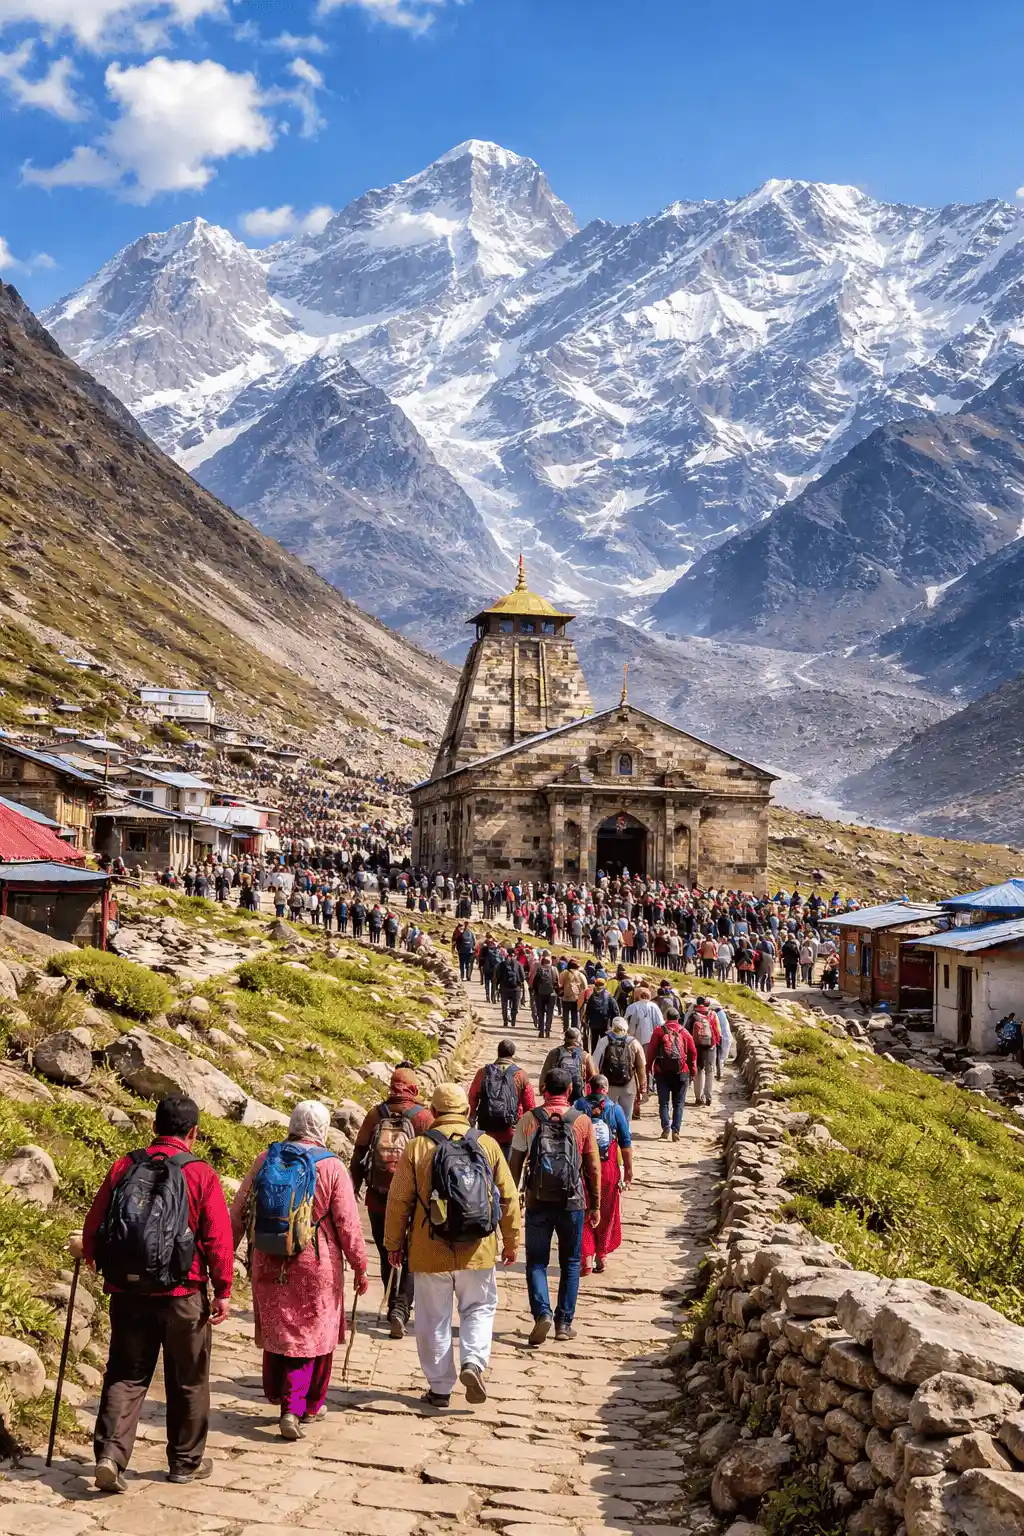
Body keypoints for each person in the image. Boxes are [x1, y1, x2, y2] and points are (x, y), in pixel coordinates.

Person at [78, 1095, 234, 1493]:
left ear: (154, 1126)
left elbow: (96, 1221)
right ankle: (184, 1463)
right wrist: (223, 1289)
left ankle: (110, 1455)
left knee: (126, 1374)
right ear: (193, 1132)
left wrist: (96, 1257)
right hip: (183, 1293)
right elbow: (218, 1238)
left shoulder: (125, 1165)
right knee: (189, 1379)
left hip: (128, 1291)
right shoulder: (200, 1173)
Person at [230, 1102, 369, 1439]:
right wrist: (360, 1266)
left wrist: (223, 1257)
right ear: (322, 1128)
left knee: (280, 1329)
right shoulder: (332, 1167)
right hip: (315, 1262)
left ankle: (279, 1393)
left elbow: (239, 1210)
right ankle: (297, 1407)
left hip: (268, 1258)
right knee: (310, 1334)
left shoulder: (267, 1158)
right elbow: (348, 1224)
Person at [383, 1084, 519, 1409]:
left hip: (430, 1248)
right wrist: (511, 1241)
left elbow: (398, 1201)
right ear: (467, 1111)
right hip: (478, 1247)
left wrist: (393, 1243)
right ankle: (473, 1362)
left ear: (433, 1112)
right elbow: (508, 1196)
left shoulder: (418, 1147)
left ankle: (440, 1387)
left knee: (433, 1318)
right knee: (479, 1308)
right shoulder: (487, 1144)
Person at [509, 1068, 601, 1344]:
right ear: (570, 1091)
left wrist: (513, 1200)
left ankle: (542, 1314)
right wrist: (595, 1204)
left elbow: (515, 1165)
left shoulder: (529, 1120)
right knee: (571, 1262)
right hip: (572, 1201)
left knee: (536, 1261)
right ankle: (564, 1323)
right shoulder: (582, 1122)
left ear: (543, 1089)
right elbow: (593, 1167)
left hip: (538, 1201)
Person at [350, 1069, 433, 1338]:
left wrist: (354, 1187)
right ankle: (400, 1307)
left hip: (378, 1198)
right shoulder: (423, 1117)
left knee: (388, 1250)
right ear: (414, 1090)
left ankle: (392, 1302)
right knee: (411, 1254)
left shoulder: (376, 1114)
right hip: (413, 1201)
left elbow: (359, 1151)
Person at [574, 1074, 633, 1275]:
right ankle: (602, 1255)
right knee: (607, 1211)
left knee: (583, 1210)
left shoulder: (578, 1107)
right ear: (606, 1090)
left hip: (582, 1168)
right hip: (608, 1169)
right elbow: (625, 1142)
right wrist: (628, 1170)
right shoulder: (615, 1109)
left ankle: (586, 1258)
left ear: (589, 1089)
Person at [469, 1038, 536, 1161]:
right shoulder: (520, 1075)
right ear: (512, 1054)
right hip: (510, 1131)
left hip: (486, 1129)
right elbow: (530, 1106)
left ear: (498, 1052)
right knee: (506, 1167)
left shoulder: (483, 1072)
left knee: (486, 1164)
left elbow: (473, 1097)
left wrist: (472, 1117)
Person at [646, 1006, 697, 1141]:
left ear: (666, 1018)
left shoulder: (659, 1031)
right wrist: (693, 1071)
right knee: (678, 1103)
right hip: (682, 1072)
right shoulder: (684, 1032)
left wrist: (648, 1067)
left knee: (663, 1102)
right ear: (678, 1018)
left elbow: (651, 1051)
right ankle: (676, 1130)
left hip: (661, 1071)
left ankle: (665, 1128)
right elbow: (693, 1053)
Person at [594, 1016, 647, 1120]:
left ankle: (611, 1129)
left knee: (608, 1115)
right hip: (628, 1084)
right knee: (626, 1116)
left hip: (608, 1085)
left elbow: (595, 1064)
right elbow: (641, 1067)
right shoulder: (634, 1043)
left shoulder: (604, 1041)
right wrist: (642, 1086)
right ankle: (624, 1129)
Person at [540, 1025, 596, 1102]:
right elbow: (594, 1078)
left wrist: (543, 1092)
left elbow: (544, 1076)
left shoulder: (554, 1053)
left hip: (557, 1097)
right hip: (578, 1098)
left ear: (565, 1038)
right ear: (579, 1039)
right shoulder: (585, 1056)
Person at [685, 996, 722, 1107]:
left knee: (698, 1071)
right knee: (709, 1071)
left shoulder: (692, 1016)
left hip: (696, 1047)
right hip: (710, 1047)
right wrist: (715, 1043)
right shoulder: (713, 1014)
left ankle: (698, 1098)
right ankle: (708, 1096)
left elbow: (686, 1032)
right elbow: (718, 1032)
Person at [582, 975, 619, 1055]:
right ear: (604, 985)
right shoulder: (608, 996)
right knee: (605, 1041)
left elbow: (588, 1010)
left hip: (593, 1023)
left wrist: (586, 1021)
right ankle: (605, 1057)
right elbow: (615, 1011)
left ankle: (593, 1056)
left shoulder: (592, 996)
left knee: (594, 1041)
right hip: (605, 1023)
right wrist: (613, 1023)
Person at [623, 985, 663, 1050]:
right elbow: (660, 1023)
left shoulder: (632, 1007)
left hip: (635, 1039)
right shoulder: (655, 1006)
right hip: (652, 1039)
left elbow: (626, 1022)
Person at [531, 953, 560, 1038]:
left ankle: (541, 1031)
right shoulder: (554, 969)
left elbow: (535, 982)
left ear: (542, 962)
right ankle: (548, 1031)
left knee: (540, 1013)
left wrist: (535, 992)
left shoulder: (539, 970)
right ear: (550, 962)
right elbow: (557, 982)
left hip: (539, 995)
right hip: (551, 994)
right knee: (549, 1013)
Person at [495, 949, 526, 1029]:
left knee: (504, 1005)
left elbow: (497, 976)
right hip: (516, 988)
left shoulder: (501, 964)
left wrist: (497, 985)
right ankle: (513, 1020)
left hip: (504, 987)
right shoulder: (518, 964)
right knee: (515, 1005)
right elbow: (523, 977)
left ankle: (505, 1021)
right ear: (514, 955)